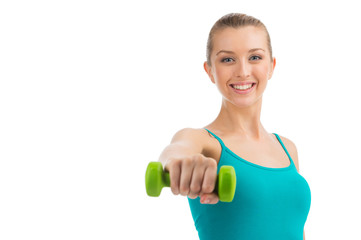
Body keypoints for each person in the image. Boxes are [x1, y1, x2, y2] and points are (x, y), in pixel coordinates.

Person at [158, 13, 311, 240]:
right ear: (210, 70)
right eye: (227, 60)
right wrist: (179, 164)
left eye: (255, 58)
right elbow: (175, 151)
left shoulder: (287, 148)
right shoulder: (203, 141)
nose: (242, 71)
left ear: (271, 66)